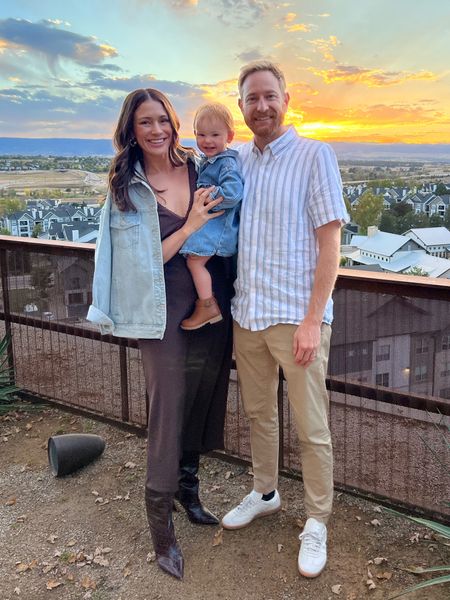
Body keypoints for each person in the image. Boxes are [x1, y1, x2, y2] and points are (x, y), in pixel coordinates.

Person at [87, 88, 234, 580]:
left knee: (203, 393)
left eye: (163, 121)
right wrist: (191, 222)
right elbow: (146, 261)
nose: (156, 131)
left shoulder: (199, 165)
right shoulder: (128, 188)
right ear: (131, 130)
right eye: (145, 123)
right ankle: (160, 525)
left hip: (209, 299)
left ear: (174, 125)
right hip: (160, 309)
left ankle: (188, 490)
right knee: (168, 403)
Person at [221, 61, 349, 578]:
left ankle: (316, 520)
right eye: (252, 98)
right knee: (258, 414)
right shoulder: (236, 161)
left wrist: (313, 320)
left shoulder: (315, 155)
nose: (262, 106)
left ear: (287, 99)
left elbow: (330, 242)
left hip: (296, 318)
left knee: (312, 427)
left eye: (269, 96)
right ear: (241, 106)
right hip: (247, 314)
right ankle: (265, 491)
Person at [179, 102, 243, 330]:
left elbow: (233, 193)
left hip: (218, 230)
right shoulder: (209, 161)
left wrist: (207, 194)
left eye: (215, 135)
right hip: (213, 227)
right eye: (201, 134)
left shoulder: (226, 163)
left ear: (230, 136)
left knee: (195, 263)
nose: (207, 141)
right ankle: (207, 304)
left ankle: (207, 305)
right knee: (192, 261)